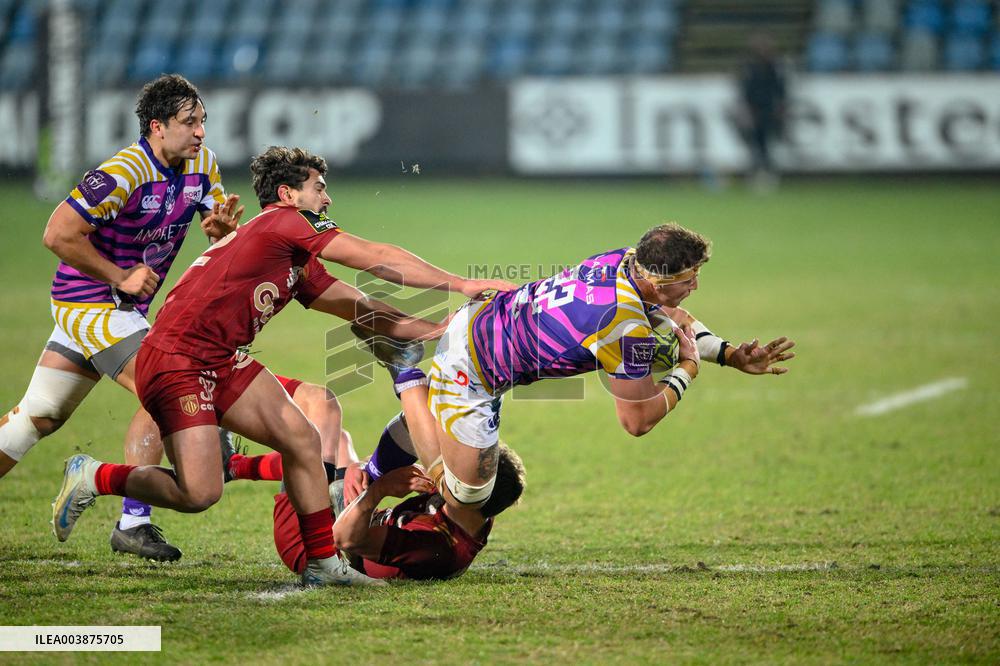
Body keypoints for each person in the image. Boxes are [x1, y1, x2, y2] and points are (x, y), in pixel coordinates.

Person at [51, 145, 515, 587]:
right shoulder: (285, 222)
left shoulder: (290, 253)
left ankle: (323, 563)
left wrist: (439, 329)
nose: (327, 198)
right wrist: (460, 283)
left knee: (303, 438)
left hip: (219, 359)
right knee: (200, 494)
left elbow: (361, 309)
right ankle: (93, 475)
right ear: (288, 195)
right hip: (178, 360)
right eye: (319, 187)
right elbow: (375, 260)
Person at [359, 223, 795, 513]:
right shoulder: (622, 325)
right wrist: (687, 370)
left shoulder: (624, 261)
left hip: (483, 322)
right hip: (472, 368)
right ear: (657, 280)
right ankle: (406, 370)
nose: (696, 285)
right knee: (466, 495)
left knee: (440, 422)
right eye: (689, 278)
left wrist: (731, 354)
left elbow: (672, 317)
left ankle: (366, 475)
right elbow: (637, 420)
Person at [0, 74, 243, 561]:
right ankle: (133, 523)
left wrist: (219, 233)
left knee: (36, 418)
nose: (200, 131)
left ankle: (131, 516)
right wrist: (121, 276)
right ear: (157, 126)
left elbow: (215, 228)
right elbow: (57, 234)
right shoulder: (124, 170)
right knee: (167, 384)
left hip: (122, 312)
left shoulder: (203, 165)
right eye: (189, 122)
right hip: (89, 303)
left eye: (203, 121)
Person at [225, 398, 526, 581]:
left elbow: (343, 538)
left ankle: (232, 462)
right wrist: (365, 470)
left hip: (319, 549)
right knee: (339, 441)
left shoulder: (435, 546)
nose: (455, 467)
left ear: (475, 493)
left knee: (309, 444)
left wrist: (378, 489)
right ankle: (233, 466)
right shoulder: (469, 507)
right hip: (352, 514)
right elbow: (397, 452)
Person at [735, 32, 787, 192]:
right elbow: (745, 91)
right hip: (754, 111)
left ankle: (767, 175)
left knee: (766, 144)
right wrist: (746, 111)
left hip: (769, 110)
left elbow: (780, 90)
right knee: (756, 145)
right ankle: (758, 174)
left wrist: (780, 108)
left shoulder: (775, 66)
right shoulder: (749, 67)